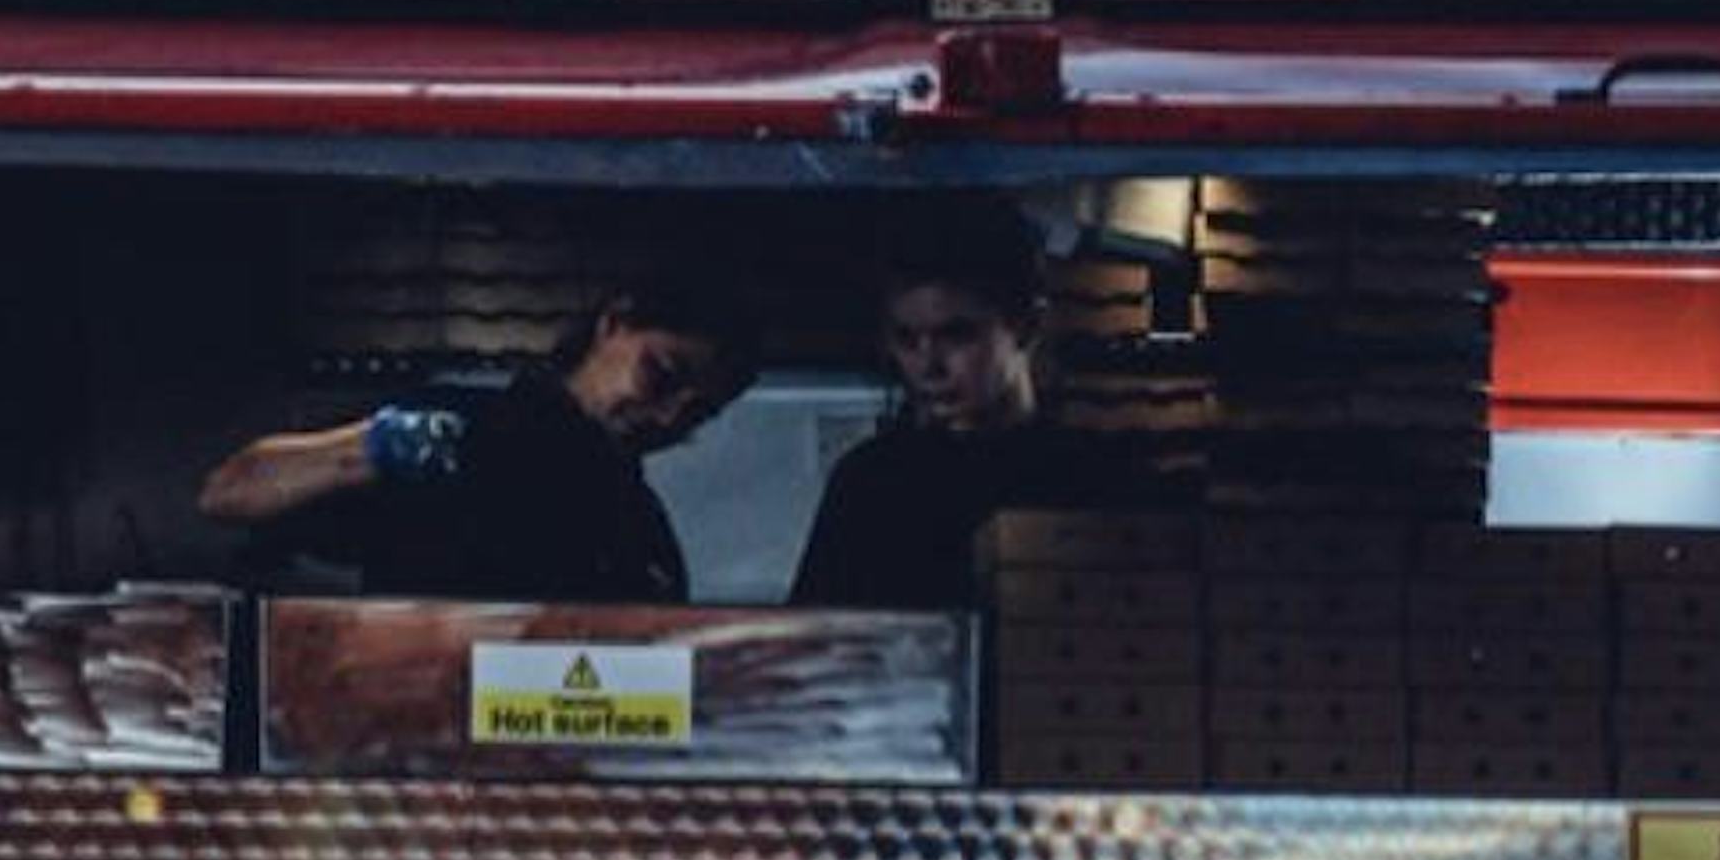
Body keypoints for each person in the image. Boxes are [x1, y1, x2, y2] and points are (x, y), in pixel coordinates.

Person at [198, 267, 755, 602]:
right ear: (614, 324)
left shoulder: (640, 527)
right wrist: (381, 447)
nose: (666, 417)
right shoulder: (458, 436)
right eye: (661, 375)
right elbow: (231, 492)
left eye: (696, 413)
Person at [788, 203, 1139, 609]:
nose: (928, 366)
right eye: (906, 339)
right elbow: (813, 632)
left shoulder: (1095, 477)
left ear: (1026, 326)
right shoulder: (869, 485)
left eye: (956, 335)